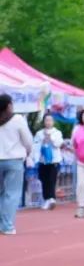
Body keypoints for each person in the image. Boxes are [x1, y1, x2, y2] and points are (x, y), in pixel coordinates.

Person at [0, 94, 33, 235]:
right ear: (9, 105)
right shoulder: (17, 119)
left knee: (2, 193)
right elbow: (28, 141)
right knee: (11, 194)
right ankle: (7, 226)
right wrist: (28, 153)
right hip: (14, 160)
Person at [32, 114, 63, 210]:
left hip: (54, 160)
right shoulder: (39, 133)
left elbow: (59, 144)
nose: (48, 122)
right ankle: (46, 199)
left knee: (51, 179)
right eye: (46, 120)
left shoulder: (57, 132)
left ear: (53, 122)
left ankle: (52, 198)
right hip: (42, 160)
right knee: (44, 180)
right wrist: (43, 140)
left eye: (50, 120)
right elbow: (35, 145)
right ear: (44, 122)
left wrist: (51, 139)